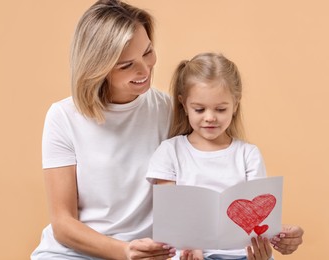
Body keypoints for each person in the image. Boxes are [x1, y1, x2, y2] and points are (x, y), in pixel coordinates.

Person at [31, 0, 303, 259]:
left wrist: (271, 236)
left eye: (147, 52)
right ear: (97, 69)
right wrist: (124, 251)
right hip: (74, 253)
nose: (145, 69)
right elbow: (63, 223)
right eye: (127, 65)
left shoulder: (168, 108)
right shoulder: (63, 117)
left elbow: (209, 178)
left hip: (152, 254)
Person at [146, 53, 302, 260]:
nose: (210, 117)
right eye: (199, 109)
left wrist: (280, 235)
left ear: (235, 104)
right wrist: (193, 246)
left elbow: (259, 216)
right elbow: (172, 216)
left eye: (220, 109)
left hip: (243, 254)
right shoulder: (170, 152)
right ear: (184, 105)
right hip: (190, 254)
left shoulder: (248, 154)